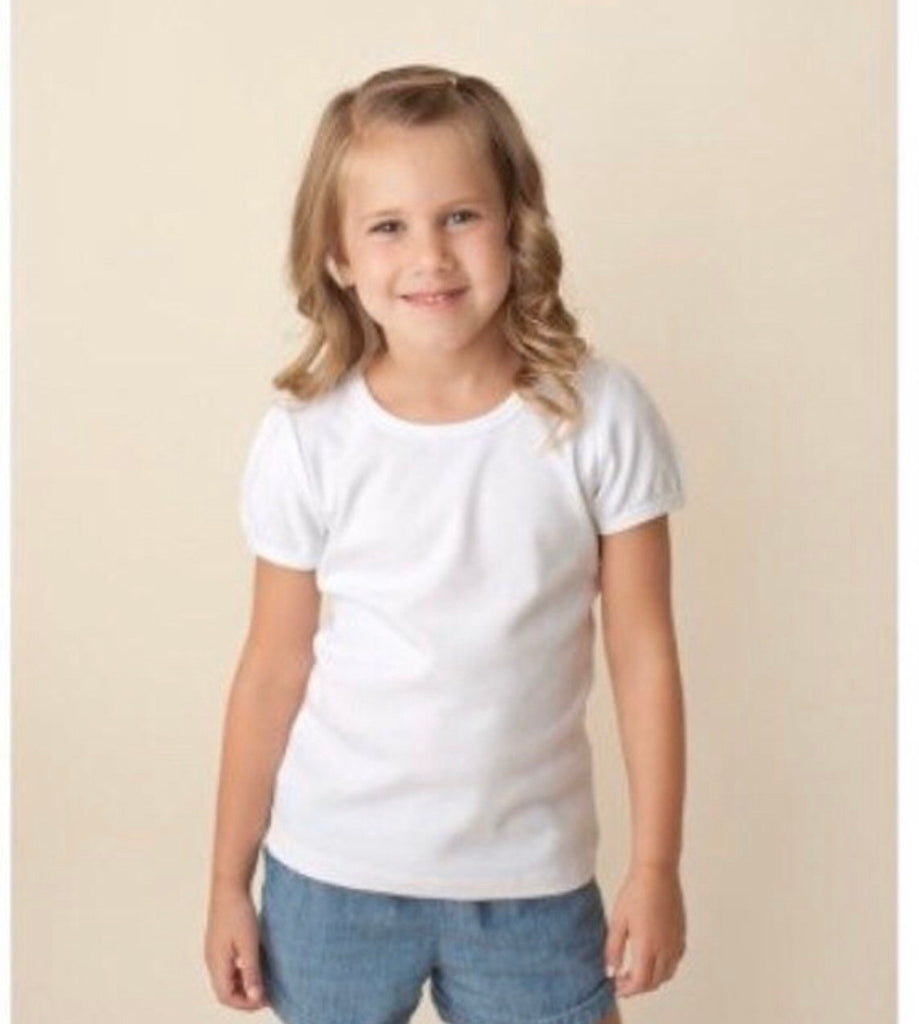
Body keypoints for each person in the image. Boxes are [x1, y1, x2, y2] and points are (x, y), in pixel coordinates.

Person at [204, 64, 688, 1024]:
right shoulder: (307, 437)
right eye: (387, 226)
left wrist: (656, 866)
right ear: (339, 257)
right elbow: (271, 666)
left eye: (460, 216)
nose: (429, 255)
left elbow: (643, 656)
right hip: (330, 880)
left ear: (515, 224)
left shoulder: (598, 415)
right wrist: (226, 879)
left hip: (532, 889)